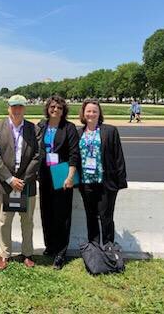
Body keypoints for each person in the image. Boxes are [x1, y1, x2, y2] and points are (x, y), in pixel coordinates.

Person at [0, 94, 40, 270]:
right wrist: (10, 179)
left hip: (27, 183)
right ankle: (4, 254)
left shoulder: (34, 129)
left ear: (24, 108)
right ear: (8, 108)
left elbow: (37, 155)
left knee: (27, 220)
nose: (17, 110)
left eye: (20, 107)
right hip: (5, 183)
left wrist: (23, 180)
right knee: (4, 221)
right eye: (14, 106)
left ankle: (27, 253)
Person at [37, 96, 80, 270]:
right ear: (48, 108)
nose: (56, 110)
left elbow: (74, 154)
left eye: (59, 108)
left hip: (61, 173)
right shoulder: (41, 125)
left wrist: (70, 176)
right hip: (44, 173)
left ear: (64, 111)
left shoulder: (69, 128)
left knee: (62, 215)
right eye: (53, 107)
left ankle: (61, 253)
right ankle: (50, 246)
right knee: (46, 212)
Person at [78, 99, 127, 246]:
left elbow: (119, 156)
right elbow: (72, 156)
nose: (91, 114)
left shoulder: (110, 131)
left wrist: (121, 180)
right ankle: (93, 246)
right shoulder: (78, 132)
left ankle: (108, 246)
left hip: (106, 182)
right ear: (83, 113)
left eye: (94, 111)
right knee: (91, 216)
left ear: (99, 113)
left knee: (106, 217)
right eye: (88, 111)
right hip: (86, 182)